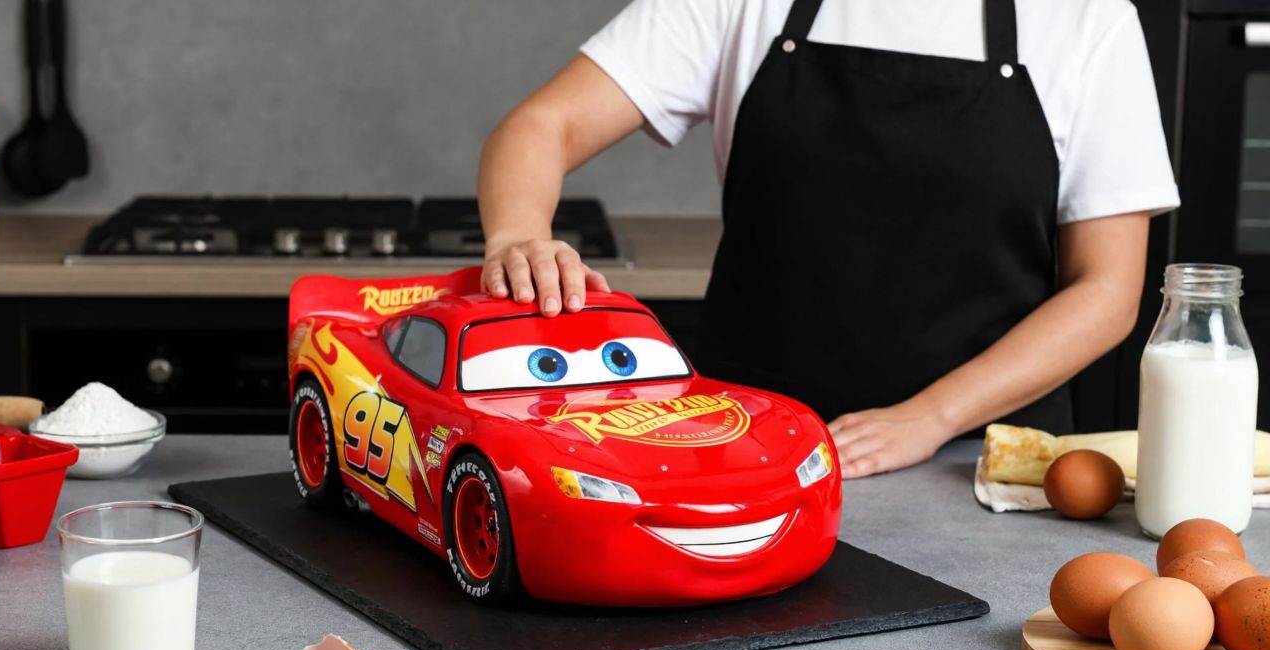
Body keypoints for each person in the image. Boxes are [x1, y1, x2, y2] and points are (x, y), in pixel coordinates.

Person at [476, 0, 1179, 477]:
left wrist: (927, 419)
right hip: (743, 460)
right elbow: (543, 125)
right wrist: (517, 234)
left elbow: (1108, 290)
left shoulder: (1085, 19)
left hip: (983, 469)